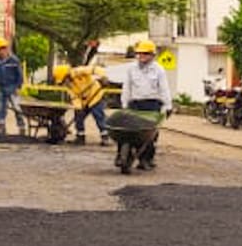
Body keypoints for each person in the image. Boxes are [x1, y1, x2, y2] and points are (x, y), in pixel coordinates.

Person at [121, 40, 173, 170]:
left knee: (150, 135)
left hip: (152, 105)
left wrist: (168, 106)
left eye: (145, 53)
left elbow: (164, 89)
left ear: (152, 55)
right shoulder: (131, 69)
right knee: (127, 131)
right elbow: (127, 87)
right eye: (139, 53)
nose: (141, 56)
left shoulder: (159, 70)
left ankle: (146, 159)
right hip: (135, 103)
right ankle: (122, 156)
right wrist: (124, 104)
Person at [57, 60, 109, 145]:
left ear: (67, 75)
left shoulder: (79, 71)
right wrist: (79, 108)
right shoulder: (69, 86)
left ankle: (105, 137)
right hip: (84, 101)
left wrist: (103, 77)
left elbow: (95, 69)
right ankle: (80, 137)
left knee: (98, 115)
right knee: (78, 117)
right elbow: (74, 97)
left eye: (64, 80)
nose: (64, 83)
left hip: (95, 96)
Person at [0, 38, 24, 136]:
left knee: (16, 107)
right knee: (0, 108)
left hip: (12, 87)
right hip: (0, 87)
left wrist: (18, 87)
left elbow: (20, 75)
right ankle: (2, 126)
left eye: (1, 49)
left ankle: (21, 126)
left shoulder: (14, 60)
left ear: (5, 48)